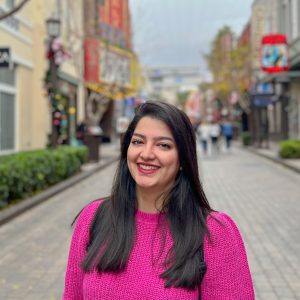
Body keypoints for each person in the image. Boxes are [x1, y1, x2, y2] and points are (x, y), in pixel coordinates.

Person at [62, 101, 255, 299]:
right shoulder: (93, 218)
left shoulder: (214, 233)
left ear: (183, 159)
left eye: (163, 145)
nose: (146, 154)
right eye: (138, 142)